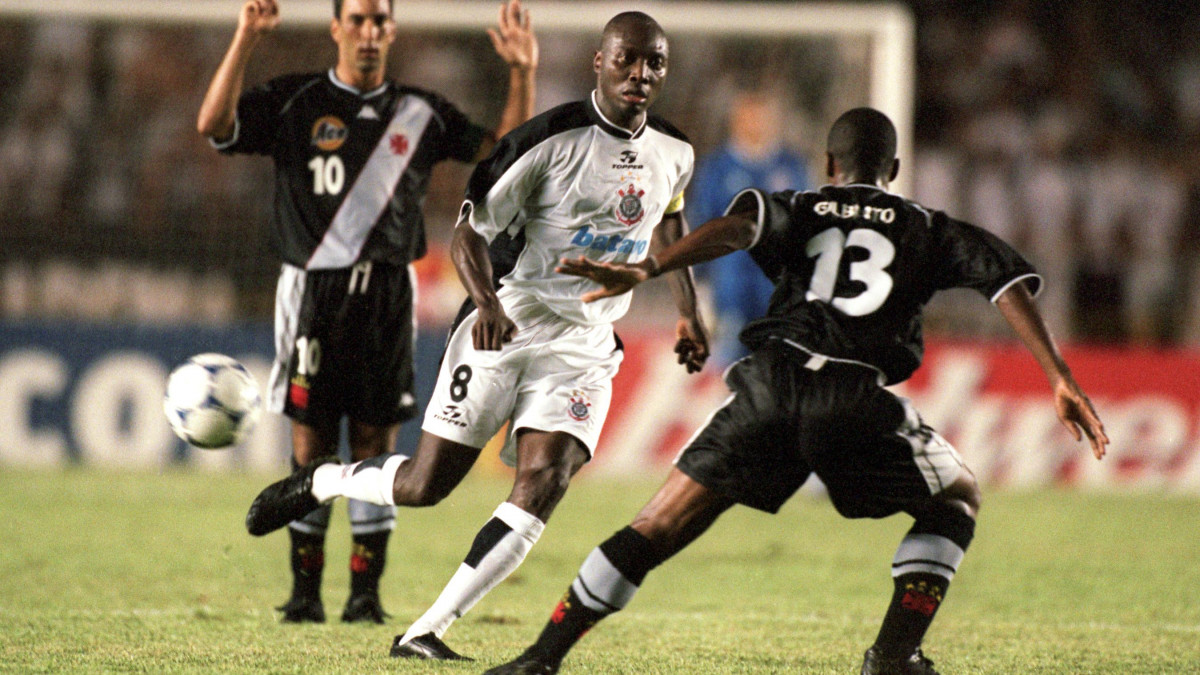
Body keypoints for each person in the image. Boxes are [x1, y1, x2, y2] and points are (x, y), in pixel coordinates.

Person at [484, 107, 1110, 675]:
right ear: (893, 169)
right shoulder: (928, 227)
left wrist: (651, 265)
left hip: (770, 385)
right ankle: (892, 657)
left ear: (830, 165)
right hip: (853, 397)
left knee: (657, 523)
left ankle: (542, 657)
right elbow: (1007, 285)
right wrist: (1061, 377)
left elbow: (737, 226)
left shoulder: (802, 204)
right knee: (958, 498)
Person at [244, 10, 709, 661]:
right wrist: (486, 299)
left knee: (546, 480)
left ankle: (426, 628)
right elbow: (468, 232)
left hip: (583, 347)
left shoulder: (676, 151)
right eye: (627, 59)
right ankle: (324, 481)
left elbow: (668, 224)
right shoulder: (544, 139)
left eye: (654, 62)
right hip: (504, 326)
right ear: (597, 63)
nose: (640, 73)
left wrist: (687, 308)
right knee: (425, 485)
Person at [196, 0, 538, 624]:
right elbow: (214, 125)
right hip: (311, 292)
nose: (370, 31)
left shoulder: (420, 111)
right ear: (336, 28)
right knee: (311, 442)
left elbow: (505, 157)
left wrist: (521, 74)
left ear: (392, 31)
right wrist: (245, 35)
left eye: (380, 20)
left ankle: (365, 596)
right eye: (358, 19)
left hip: (388, 291)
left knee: (378, 439)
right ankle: (304, 595)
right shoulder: (295, 100)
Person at [686, 85, 811, 366]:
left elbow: (807, 229)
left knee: (780, 371)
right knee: (734, 372)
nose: (756, 123)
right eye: (748, 116)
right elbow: (701, 229)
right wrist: (700, 291)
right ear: (735, 120)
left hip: (779, 293)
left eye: (762, 116)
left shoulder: (792, 166)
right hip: (730, 291)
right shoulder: (717, 169)